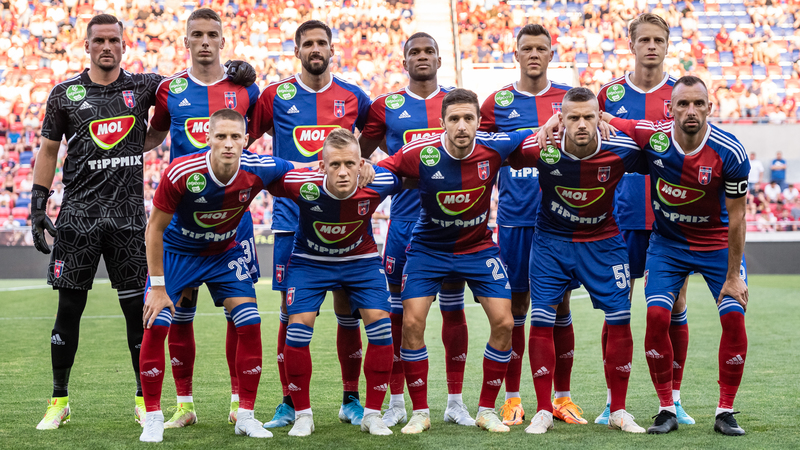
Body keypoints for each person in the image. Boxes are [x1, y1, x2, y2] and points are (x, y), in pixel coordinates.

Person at [31, 14, 253, 430]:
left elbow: (195, 83)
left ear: (124, 45)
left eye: (114, 40)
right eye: (99, 41)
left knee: (140, 314)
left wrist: (237, 70)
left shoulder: (147, 86)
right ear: (86, 45)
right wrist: (38, 202)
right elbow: (47, 149)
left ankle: (143, 400)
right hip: (77, 217)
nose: (107, 47)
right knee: (68, 310)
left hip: (130, 219)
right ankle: (58, 400)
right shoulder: (64, 94)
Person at [377, 88, 532, 434]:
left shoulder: (494, 147)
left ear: (479, 121)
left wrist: (553, 124)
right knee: (411, 323)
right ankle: (420, 412)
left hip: (477, 249)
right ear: (442, 122)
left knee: (505, 323)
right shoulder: (421, 152)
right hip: (428, 250)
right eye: (454, 119)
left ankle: (486, 410)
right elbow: (381, 171)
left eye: (468, 118)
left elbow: (530, 135)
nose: (462, 126)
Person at [603, 75, 750, 436]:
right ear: (671, 109)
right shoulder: (654, 138)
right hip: (668, 246)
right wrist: (558, 120)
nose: (691, 110)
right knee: (656, 315)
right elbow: (606, 118)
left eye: (698, 103)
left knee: (734, 318)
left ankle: (725, 411)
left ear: (709, 108)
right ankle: (666, 407)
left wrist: (733, 275)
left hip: (716, 245)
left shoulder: (730, 151)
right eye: (683, 103)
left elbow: (738, 218)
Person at [137, 109, 295, 442]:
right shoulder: (181, 172)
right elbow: (154, 229)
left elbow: (299, 171)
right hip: (178, 253)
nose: (228, 143)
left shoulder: (258, 168)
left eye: (235, 137)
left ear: (246, 140)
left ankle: (245, 415)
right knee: (157, 322)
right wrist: (158, 287)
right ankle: (153, 417)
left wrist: (333, 166)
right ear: (207, 138)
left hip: (224, 253)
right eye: (220, 136)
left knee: (250, 322)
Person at [248, 20, 372, 428]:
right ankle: (288, 402)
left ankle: (351, 399)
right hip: (291, 223)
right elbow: (243, 141)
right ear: (297, 50)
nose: (315, 49)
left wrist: (363, 165)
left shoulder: (354, 96)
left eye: (322, 43)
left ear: (332, 50)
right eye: (308, 43)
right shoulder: (275, 96)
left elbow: (371, 140)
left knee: (348, 308)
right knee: (290, 313)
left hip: (344, 223)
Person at [142, 8, 261, 428]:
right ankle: (185, 405)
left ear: (223, 41)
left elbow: (256, 137)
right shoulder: (169, 89)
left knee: (240, 315)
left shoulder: (245, 88)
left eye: (213, 34)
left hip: (233, 223)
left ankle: (239, 404)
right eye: (198, 34)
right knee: (180, 313)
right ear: (186, 41)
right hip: (183, 225)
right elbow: (155, 134)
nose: (205, 41)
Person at [512, 87, 646, 435]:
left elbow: (659, 151)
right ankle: (544, 410)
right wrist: (542, 127)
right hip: (551, 243)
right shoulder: (543, 147)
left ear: (600, 117)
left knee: (620, 319)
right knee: (541, 320)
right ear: (561, 119)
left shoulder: (622, 149)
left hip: (604, 243)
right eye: (574, 117)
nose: (582, 124)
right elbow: (506, 153)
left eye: (589, 116)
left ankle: (618, 410)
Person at [358, 32, 474, 428]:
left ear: (439, 60)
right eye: (414, 52)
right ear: (403, 61)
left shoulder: (458, 103)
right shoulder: (386, 106)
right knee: (398, 316)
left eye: (429, 51)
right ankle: (396, 402)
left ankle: (455, 401)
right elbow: (360, 157)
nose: (422, 57)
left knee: (453, 310)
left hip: (452, 226)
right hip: (404, 224)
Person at [477, 24, 586, 427]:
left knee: (560, 305)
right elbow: (480, 157)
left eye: (542, 48)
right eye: (528, 48)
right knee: (517, 307)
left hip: (561, 220)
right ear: (517, 54)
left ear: (551, 54)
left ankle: (562, 396)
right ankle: (513, 398)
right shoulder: (497, 103)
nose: (534, 54)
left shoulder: (569, 100)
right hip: (516, 218)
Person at [596, 13, 694, 425]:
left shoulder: (683, 94)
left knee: (675, 306)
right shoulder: (609, 94)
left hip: (671, 218)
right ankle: (611, 402)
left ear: (667, 45)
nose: (651, 46)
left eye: (659, 40)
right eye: (644, 40)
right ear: (631, 44)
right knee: (617, 308)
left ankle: (673, 400)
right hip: (619, 216)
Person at [269, 129, 399, 437]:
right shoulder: (301, 184)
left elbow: (412, 171)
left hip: (360, 260)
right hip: (310, 261)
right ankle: (303, 415)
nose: (343, 172)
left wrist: (375, 165)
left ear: (361, 164)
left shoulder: (379, 181)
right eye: (335, 164)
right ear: (321, 165)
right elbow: (259, 177)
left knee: (382, 325)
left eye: (350, 164)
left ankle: (372, 415)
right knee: (297, 329)